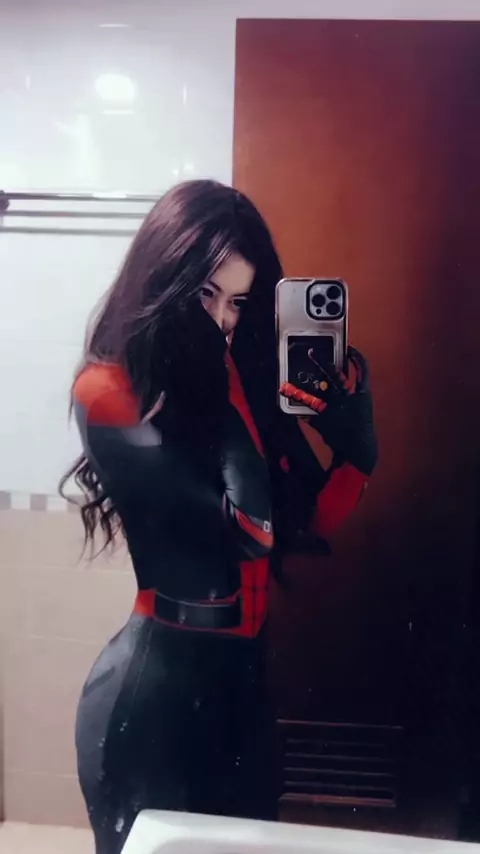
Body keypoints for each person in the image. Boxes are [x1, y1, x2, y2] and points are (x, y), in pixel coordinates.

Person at [60, 180, 377, 854]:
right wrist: (223, 387)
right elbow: (245, 531)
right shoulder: (108, 390)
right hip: (154, 698)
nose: (224, 320)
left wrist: (355, 453)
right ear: (165, 284)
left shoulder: (246, 386)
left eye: (238, 302)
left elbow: (307, 523)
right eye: (205, 296)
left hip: (245, 690)